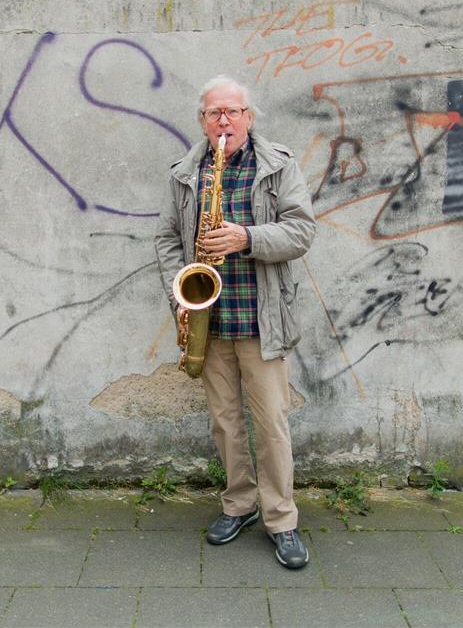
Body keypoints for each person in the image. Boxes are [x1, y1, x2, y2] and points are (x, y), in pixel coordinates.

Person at [154, 75, 316, 569]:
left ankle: (281, 519)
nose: (223, 120)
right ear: (201, 120)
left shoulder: (279, 166)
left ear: (249, 116)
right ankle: (240, 504)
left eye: (233, 111)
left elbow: (301, 231)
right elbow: (165, 239)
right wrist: (180, 296)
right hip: (211, 318)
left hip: (262, 317)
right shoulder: (185, 173)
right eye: (213, 113)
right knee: (225, 424)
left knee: (271, 424)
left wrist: (247, 237)